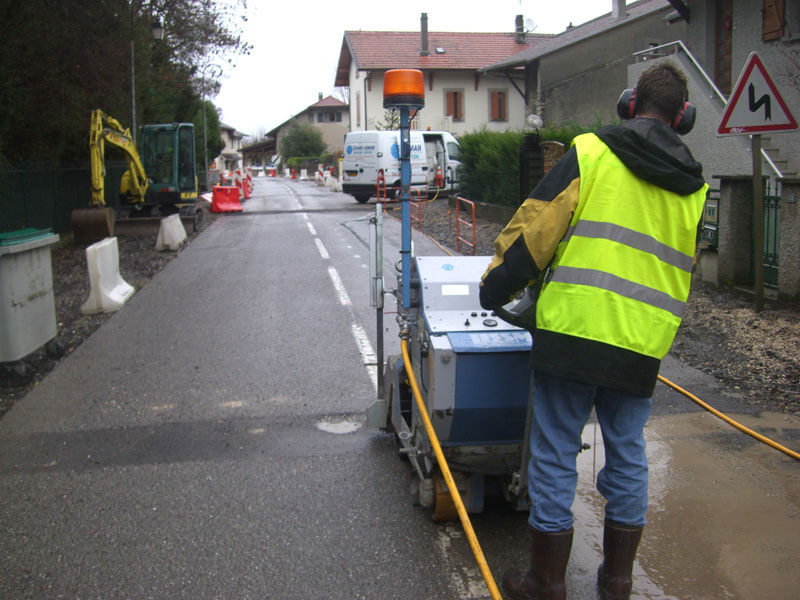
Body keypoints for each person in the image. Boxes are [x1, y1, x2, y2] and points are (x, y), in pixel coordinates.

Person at [479, 62, 707, 600]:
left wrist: (495, 285)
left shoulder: (592, 152)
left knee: (557, 451)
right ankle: (617, 581)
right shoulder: (694, 188)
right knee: (627, 450)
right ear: (684, 118)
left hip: (573, 333)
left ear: (630, 104)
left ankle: (546, 583)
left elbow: (537, 227)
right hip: (640, 344)